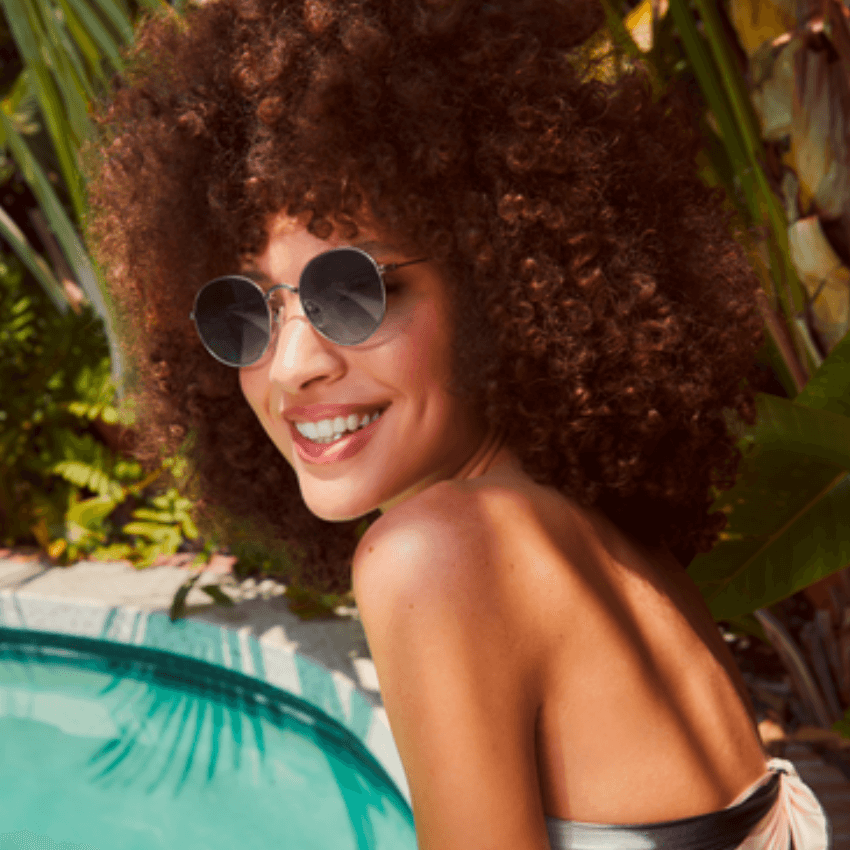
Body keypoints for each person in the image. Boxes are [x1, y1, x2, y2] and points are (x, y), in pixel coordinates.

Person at [84, 1, 831, 847]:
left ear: (503, 285)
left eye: (354, 292)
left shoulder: (437, 552)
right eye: (244, 310)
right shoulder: (585, 535)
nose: (293, 366)